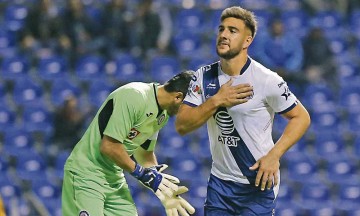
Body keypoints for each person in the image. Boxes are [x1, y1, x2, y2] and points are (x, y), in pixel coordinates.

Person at [175, 6, 311, 216]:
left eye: (232, 30)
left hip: (257, 183)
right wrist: (216, 101)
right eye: (221, 29)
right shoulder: (203, 76)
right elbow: (182, 125)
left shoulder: (267, 80)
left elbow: (301, 117)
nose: (223, 35)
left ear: (247, 41)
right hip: (220, 184)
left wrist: (274, 155)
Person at [62, 71, 196, 216]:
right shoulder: (135, 96)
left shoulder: (162, 115)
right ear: (178, 97)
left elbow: (144, 154)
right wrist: (143, 174)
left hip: (114, 178)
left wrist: (163, 189)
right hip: (86, 174)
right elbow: (109, 146)